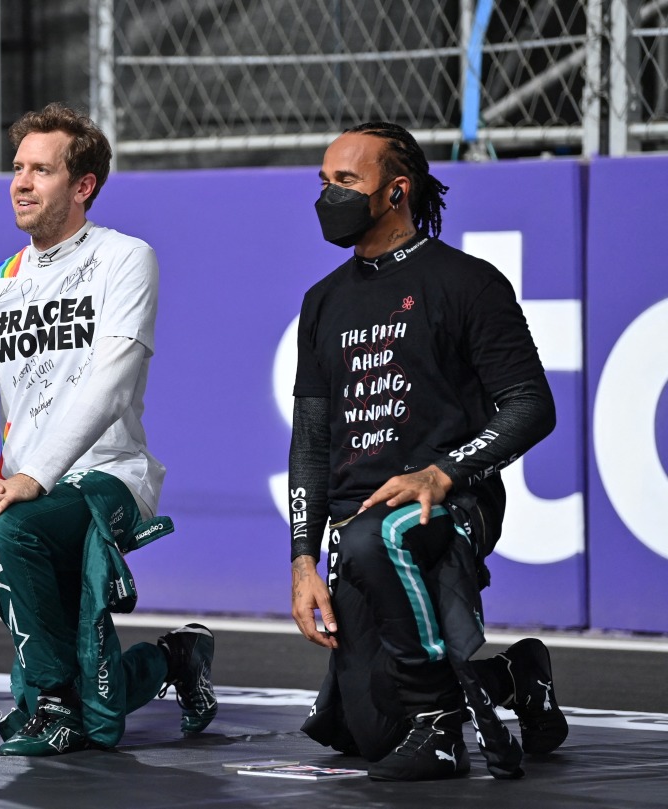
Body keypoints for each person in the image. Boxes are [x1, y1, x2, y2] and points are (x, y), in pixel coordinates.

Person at [288, 121, 569, 781]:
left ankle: (440, 723)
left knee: (371, 541)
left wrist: (444, 472)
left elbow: (531, 406)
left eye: (346, 182)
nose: (328, 195)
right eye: (323, 182)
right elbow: (311, 440)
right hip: (357, 523)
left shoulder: (467, 282)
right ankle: (514, 676)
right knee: (367, 731)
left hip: (450, 503)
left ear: (396, 191)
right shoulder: (321, 302)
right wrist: (303, 558)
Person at [0, 102, 216, 757]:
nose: (21, 182)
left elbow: (110, 383)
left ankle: (54, 706)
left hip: (108, 476)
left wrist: (33, 476)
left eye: (41, 169)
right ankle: (178, 657)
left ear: (82, 185)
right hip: (26, 490)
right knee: (102, 705)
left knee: (1, 529)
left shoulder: (125, 258)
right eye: (16, 168)